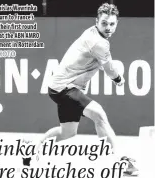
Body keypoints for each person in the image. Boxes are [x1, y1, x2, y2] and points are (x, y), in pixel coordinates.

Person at [35, 3, 138, 176]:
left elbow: (106, 59)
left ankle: (33, 148)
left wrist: (114, 74)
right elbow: (110, 69)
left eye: (112, 24)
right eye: (104, 23)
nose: (108, 28)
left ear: (117, 23)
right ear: (96, 21)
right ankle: (120, 161)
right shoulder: (98, 43)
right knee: (100, 115)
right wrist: (118, 80)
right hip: (65, 88)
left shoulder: (94, 34)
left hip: (59, 88)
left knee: (67, 132)